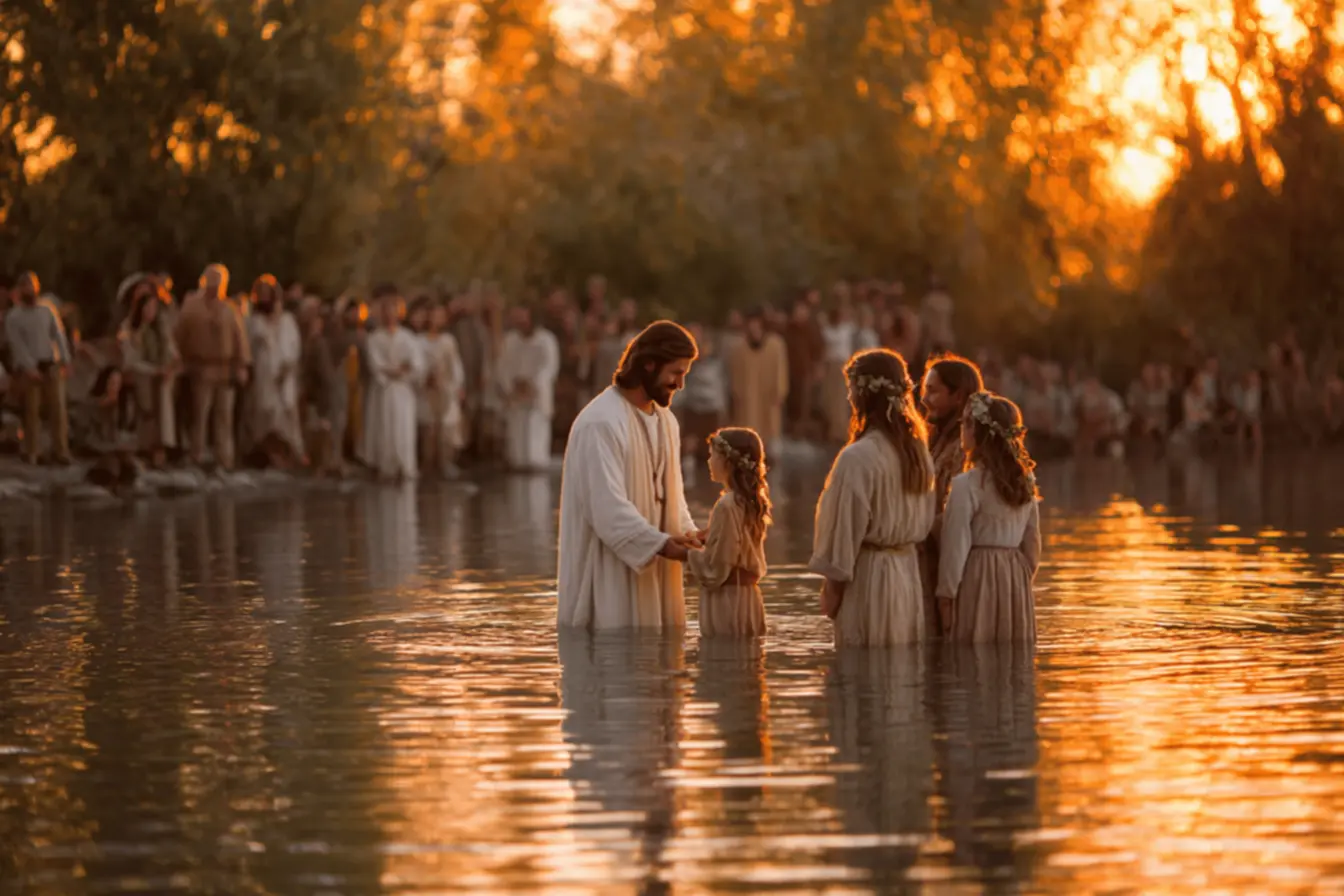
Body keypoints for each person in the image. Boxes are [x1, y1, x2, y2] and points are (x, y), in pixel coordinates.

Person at [556, 320, 703, 631]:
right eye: (675, 373)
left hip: (657, 577)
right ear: (649, 364)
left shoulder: (667, 422)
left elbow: (672, 499)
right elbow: (607, 509)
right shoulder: (600, 422)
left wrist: (692, 537)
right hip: (607, 586)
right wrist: (664, 545)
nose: (680, 384)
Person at [809, 349, 936, 646]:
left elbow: (843, 530)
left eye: (851, 389)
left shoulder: (857, 457)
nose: (849, 397)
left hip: (869, 580)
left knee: (865, 663)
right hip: (907, 578)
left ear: (864, 394)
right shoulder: (919, 454)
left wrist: (832, 589)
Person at [936, 392, 1042, 643]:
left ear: (979, 431)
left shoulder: (966, 484)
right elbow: (1033, 543)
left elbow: (955, 546)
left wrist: (946, 596)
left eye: (966, 423)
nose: (962, 429)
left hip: (978, 575)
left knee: (974, 646)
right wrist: (1020, 579)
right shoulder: (1024, 482)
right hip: (1015, 574)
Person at [919, 354, 984, 624]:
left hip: (954, 569)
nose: (924, 399)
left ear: (958, 397)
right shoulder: (936, 441)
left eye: (933, 391)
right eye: (924, 390)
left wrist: (914, 531)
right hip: (933, 560)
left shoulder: (965, 450)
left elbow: (959, 515)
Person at [687, 428, 769, 639]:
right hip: (749, 597)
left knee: (723, 654)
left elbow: (717, 568)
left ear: (727, 462)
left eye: (713, 456)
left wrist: (687, 553)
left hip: (728, 601)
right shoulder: (750, 502)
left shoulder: (726, 505)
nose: (708, 461)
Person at [4, 271, 72, 465]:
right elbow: (17, 345)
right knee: (31, 411)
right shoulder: (14, 316)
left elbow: (58, 334)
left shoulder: (47, 309)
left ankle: (61, 451)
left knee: (58, 409)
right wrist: (29, 367)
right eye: (25, 286)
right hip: (29, 368)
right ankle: (33, 451)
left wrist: (65, 358)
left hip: (50, 362)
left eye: (32, 285)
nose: (29, 290)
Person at [361, 284, 425, 482]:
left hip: (403, 391)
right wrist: (396, 369)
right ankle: (385, 466)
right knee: (385, 428)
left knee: (403, 428)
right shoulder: (374, 338)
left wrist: (401, 371)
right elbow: (376, 365)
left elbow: (416, 364)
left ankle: (404, 466)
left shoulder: (408, 338)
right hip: (384, 391)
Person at [496, 305, 561, 471]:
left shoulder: (546, 340)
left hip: (537, 396)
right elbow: (503, 367)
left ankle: (537, 466)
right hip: (516, 396)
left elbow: (549, 367)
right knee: (517, 446)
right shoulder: (510, 341)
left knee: (535, 444)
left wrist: (533, 384)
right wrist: (512, 384)